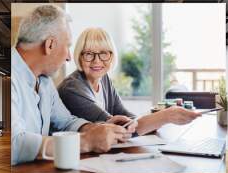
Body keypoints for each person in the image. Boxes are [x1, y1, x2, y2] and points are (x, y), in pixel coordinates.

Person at [11, 6, 134, 165]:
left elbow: (66, 121)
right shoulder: (9, 77)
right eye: (67, 46)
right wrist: (86, 142)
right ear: (50, 45)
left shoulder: (45, 82)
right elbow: (14, 143)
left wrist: (94, 129)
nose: (69, 57)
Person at [58, 27, 201, 136]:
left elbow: (127, 116)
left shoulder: (104, 79)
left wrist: (156, 117)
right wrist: (166, 116)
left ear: (111, 55)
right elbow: (119, 128)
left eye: (103, 53)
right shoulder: (72, 88)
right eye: (89, 54)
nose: (97, 61)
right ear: (79, 55)